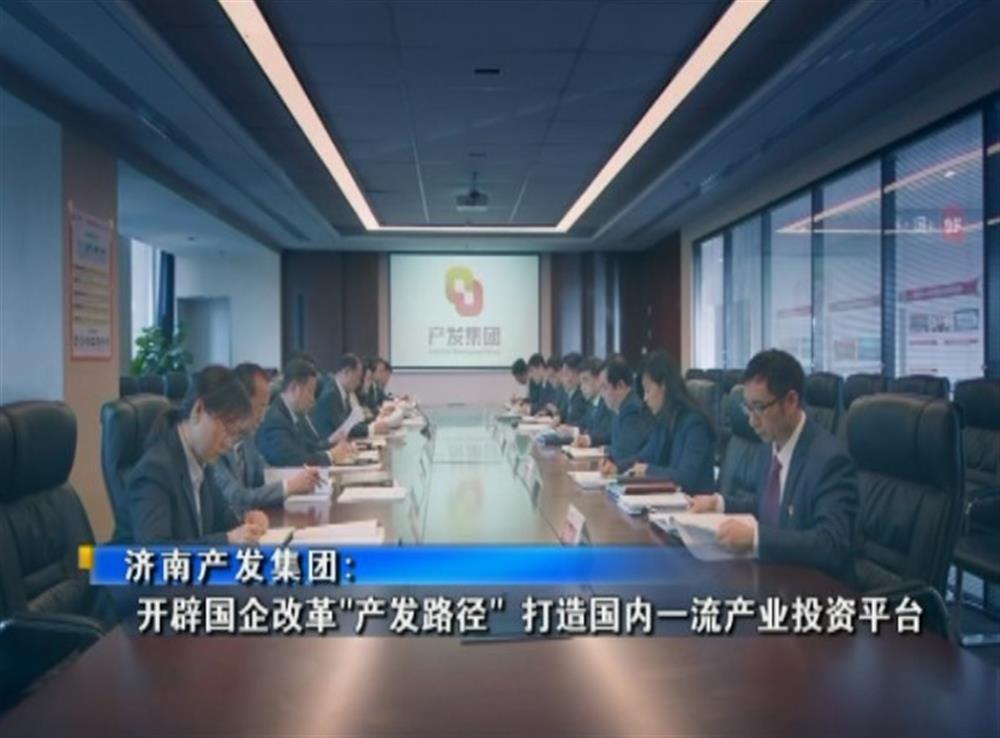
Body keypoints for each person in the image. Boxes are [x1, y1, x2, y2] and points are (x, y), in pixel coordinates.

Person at [688, 349, 858, 577]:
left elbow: (831, 543)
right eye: (748, 408)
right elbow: (768, 506)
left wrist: (756, 538)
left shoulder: (830, 460)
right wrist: (718, 503)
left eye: (759, 408)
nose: (751, 421)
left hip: (815, 588)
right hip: (775, 575)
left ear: (790, 401)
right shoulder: (770, 445)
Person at [123, 365, 269, 545]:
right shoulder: (154, 471)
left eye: (235, 434)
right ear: (198, 410)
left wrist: (248, 521)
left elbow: (224, 521)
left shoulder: (202, 462)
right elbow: (155, 552)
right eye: (227, 428)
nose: (228, 443)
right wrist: (228, 539)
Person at [209, 362, 319, 514]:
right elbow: (236, 498)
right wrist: (289, 486)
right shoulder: (214, 443)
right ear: (241, 401)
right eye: (260, 407)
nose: (263, 417)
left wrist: (303, 477)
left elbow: (266, 474)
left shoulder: (246, 437)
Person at [619, 350, 715, 491]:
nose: (645, 399)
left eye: (648, 390)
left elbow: (686, 478)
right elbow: (644, 457)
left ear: (664, 386)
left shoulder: (695, 425)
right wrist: (616, 467)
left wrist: (647, 470)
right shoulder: (665, 420)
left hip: (693, 501)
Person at [256, 358, 354, 466]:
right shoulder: (275, 421)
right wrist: (330, 456)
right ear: (294, 388)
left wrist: (331, 444)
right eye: (310, 392)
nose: (313, 399)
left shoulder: (297, 415)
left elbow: (310, 447)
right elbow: (292, 460)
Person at [312, 353, 390, 440]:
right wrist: (372, 428)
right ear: (347, 372)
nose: (359, 383)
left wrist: (372, 425)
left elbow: (352, 424)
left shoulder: (343, 392)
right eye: (358, 377)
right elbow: (343, 428)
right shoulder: (331, 395)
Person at [597, 356, 653, 474]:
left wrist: (608, 454)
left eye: (604, 387)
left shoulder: (632, 411)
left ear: (620, 386)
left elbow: (622, 455)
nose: (601, 395)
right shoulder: (620, 408)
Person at [573, 358, 613, 448]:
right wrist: (570, 430)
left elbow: (608, 433)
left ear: (599, 379)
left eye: (585, 380)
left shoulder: (608, 401)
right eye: (580, 382)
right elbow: (583, 425)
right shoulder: (591, 403)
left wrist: (588, 438)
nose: (582, 387)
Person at [555, 352, 589, 426]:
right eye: (563, 374)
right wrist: (559, 418)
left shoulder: (583, 395)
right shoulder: (570, 393)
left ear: (577, 374)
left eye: (566, 374)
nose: (562, 379)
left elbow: (581, 423)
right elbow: (563, 413)